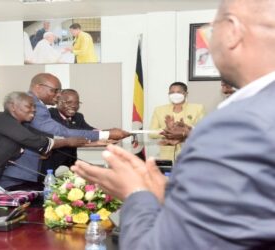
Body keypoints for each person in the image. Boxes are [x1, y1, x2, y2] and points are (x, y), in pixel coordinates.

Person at [72, 0, 275, 248]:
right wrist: (168, 194)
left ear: (232, 31)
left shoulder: (240, 125)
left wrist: (135, 193)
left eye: (212, 31)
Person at [0, 73, 129, 190]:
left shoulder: (39, 105)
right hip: (20, 173)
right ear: (38, 87)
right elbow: (63, 133)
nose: (57, 95)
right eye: (54, 91)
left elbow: (83, 131)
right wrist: (106, 134)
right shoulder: (35, 105)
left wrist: (104, 135)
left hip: (29, 171)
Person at [149, 82, 205, 161]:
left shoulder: (198, 108)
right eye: (172, 92)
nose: (175, 94)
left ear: (186, 93)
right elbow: (151, 133)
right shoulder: (159, 110)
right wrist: (168, 129)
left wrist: (183, 130)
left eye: (178, 92)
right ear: (168, 94)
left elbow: (203, 131)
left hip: (190, 154)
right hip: (167, 156)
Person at [43, 89, 95, 172]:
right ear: (57, 101)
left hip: (71, 162)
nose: (74, 106)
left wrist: (107, 134)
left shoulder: (78, 117)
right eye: (68, 102)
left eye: (76, 103)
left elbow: (90, 131)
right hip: (49, 162)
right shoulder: (49, 115)